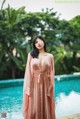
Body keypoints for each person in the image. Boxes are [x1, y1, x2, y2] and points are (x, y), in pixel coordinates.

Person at [22, 36, 56, 119]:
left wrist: (51, 85)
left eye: (40, 41)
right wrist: (28, 86)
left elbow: (52, 72)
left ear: (44, 42)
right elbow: (28, 71)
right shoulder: (31, 55)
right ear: (34, 45)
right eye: (36, 42)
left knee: (45, 103)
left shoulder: (50, 56)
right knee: (33, 105)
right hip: (34, 83)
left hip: (45, 83)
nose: (38, 43)